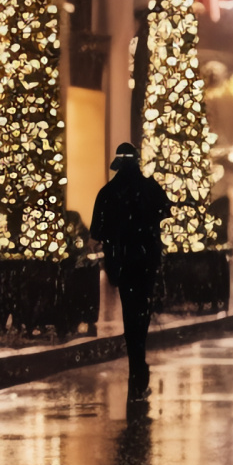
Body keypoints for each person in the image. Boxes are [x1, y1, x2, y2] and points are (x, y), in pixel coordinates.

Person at [89, 142, 172, 397]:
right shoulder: (150, 188)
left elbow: (96, 231)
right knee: (142, 310)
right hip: (145, 260)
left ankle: (135, 361)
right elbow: (165, 212)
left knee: (129, 310)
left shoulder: (108, 192)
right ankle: (139, 362)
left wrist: (117, 233)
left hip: (122, 261)